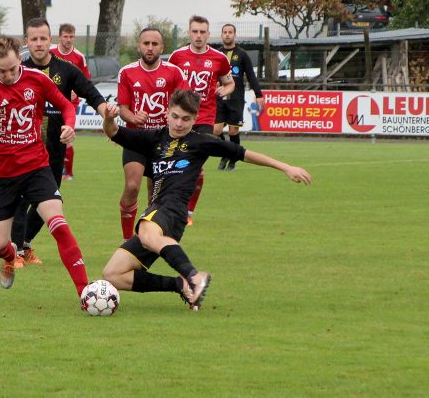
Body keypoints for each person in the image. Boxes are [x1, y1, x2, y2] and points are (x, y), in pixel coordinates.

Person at [100, 90, 312, 310]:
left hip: (172, 210)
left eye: (186, 119)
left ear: (195, 119)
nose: (179, 123)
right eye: (175, 116)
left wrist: (286, 167)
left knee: (145, 232)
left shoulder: (201, 142)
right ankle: (181, 285)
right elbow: (114, 131)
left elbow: (243, 153)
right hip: (158, 211)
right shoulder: (154, 138)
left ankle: (194, 276)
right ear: (166, 113)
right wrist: (108, 118)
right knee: (113, 274)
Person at [0, 19, 108, 266]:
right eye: (34, 39)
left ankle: (24, 244)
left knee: (49, 204)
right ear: (26, 43)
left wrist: (108, 115)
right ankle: (17, 250)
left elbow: (91, 94)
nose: (39, 43)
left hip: (54, 146)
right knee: (20, 201)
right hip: (22, 150)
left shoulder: (67, 70)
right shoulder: (13, 66)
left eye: (43, 38)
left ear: (50, 41)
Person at [115, 28, 188, 239]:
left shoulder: (174, 72)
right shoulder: (127, 72)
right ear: (139, 46)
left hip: (164, 140)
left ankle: (147, 237)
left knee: (155, 195)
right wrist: (132, 118)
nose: (150, 48)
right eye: (146, 43)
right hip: (136, 139)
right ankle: (127, 238)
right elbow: (123, 108)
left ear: (162, 48)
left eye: (154, 44)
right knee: (131, 186)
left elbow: (183, 105)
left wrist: (173, 116)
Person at [168, 15, 234, 225]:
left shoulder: (218, 58)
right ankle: (169, 203)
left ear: (208, 34)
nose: (198, 36)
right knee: (173, 162)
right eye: (195, 31)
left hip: (204, 117)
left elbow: (229, 83)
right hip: (179, 117)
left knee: (197, 166)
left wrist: (226, 89)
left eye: (202, 32)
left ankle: (188, 212)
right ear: (189, 33)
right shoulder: (177, 56)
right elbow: (168, 84)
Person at [212, 23, 266, 171]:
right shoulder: (216, 54)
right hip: (219, 98)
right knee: (215, 131)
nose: (227, 35)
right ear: (221, 35)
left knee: (233, 131)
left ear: (235, 35)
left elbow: (251, 75)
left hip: (236, 99)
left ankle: (233, 160)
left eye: (230, 32)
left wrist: (258, 94)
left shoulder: (242, 54)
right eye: (225, 32)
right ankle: (225, 152)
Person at [49, 22, 90, 181]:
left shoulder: (79, 57)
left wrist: (76, 90)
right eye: (65, 36)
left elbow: (85, 80)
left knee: (67, 135)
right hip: (50, 101)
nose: (68, 40)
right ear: (59, 37)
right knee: (48, 136)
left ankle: (68, 172)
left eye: (71, 36)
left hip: (70, 103)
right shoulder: (50, 52)